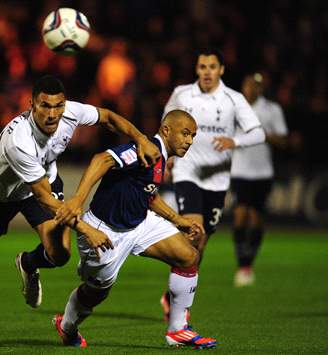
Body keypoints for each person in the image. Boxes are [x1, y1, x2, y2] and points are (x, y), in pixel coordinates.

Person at [0, 75, 161, 348]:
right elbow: (44, 198)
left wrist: (140, 138)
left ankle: (29, 264)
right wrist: (86, 229)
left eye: (58, 106)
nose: (52, 113)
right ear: (31, 104)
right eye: (45, 106)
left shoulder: (70, 112)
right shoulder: (19, 140)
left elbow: (107, 116)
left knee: (60, 254)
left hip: (43, 181)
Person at [53, 110, 217, 349]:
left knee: (189, 256)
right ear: (166, 130)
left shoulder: (160, 157)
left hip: (139, 223)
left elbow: (147, 193)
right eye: (185, 133)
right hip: (103, 231)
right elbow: (102, 159)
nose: (189, 141)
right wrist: (78, 199)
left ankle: (178, 330)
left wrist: (176, 219)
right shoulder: (146, 148)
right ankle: (66, 325)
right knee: (96, 292)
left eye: (192, 136)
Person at [159, 48, 265, 316]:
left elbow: (259, 133)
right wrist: (167, 158)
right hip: (188, 171)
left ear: (221, 70)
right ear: (196, 69)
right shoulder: (182, 94)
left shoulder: (233, 99)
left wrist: (235, 141)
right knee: (195, 231)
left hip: (218, 180)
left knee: (200, 245)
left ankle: (172, 295)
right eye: (202, 67)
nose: (207, 72)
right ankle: (179, 306)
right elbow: (166, 126)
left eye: (212, 67)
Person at [230, 73, 288, 287]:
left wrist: (263, 135)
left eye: (256, 85)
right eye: (248, 84)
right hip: (239, 171)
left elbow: (283, 140)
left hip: (262, 172)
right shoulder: (234, 109)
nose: (252, 88)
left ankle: (247, 265)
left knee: (255, 219)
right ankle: (241, 263)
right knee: (239, 216)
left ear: (261, 88)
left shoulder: (272, 110)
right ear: (243, 86)